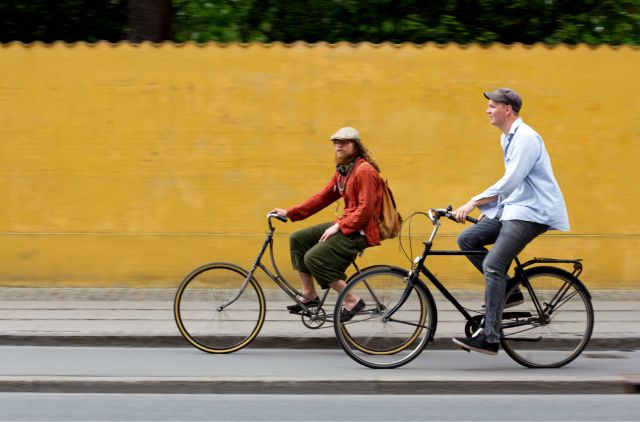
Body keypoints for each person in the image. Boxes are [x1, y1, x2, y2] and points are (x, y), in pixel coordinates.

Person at [451, 88, 569, 355]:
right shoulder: (508, 139)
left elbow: (513, 180)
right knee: (468, 239)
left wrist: (475, 201)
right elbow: (517, 185)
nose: (487, 110)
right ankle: (508, 290)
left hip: (532, 212)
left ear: (507, 109)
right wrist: (493, 208)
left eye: (492, 106)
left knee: (493, 264)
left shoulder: (526, 138)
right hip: (515, 208)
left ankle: (490, 337)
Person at [270, 127, 383, 322]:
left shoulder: (364, 171)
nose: (338, 145)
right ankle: (309, 295)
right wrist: (290, 212)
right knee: (298, 239)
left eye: (344, 142)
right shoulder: (343, 171)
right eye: (336, 142)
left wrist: (339, 226)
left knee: (313, 257)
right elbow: (322, 197)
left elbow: (365, 210)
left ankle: (351, 300)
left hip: (361, 231)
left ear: (356, 146)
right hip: (348, 224)